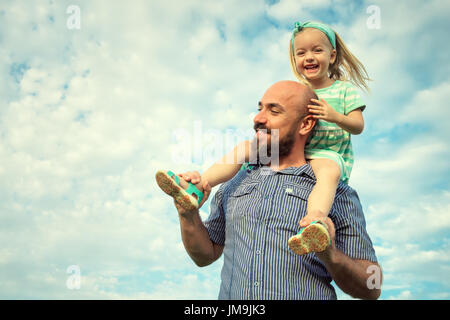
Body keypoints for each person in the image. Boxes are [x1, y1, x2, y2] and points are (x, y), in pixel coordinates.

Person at [155, 21, 371, 256]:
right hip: (296, 151)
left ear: (332, 55)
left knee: (328, 173)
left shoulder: (343, 90)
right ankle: (197, 187)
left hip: (326, 152)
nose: (309, 57)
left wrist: (335, 116)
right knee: (244, 149)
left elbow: (358, 125)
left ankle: (314, 221)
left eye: (317, 50)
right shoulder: (296, 90)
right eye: (301, 53)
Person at [168, 80, 381, 300]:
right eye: (260, 108)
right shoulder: (233, 183)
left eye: (274, 110)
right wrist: (188, 214)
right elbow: (205, 255)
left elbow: (373, 285)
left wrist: (331, 255)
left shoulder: (335, 191)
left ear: (306, 125)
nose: (258, 118)